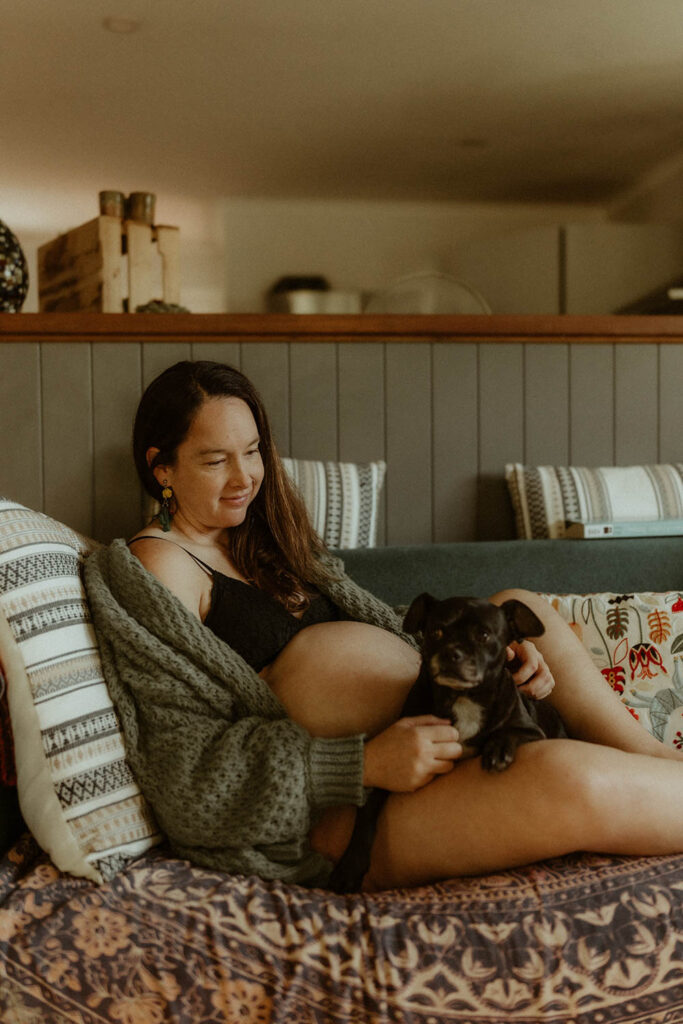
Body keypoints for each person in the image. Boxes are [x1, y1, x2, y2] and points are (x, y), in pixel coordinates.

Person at [84, 360, 683, 893]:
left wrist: (495, 655)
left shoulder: (263, 541)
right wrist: (362, 765)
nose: (245, 477)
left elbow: (386, 637)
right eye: (215, 461)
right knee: (563, 780)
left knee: (522, 605)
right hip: (342, 811)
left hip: (444, 723)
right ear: (161, 468)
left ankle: (654, 756)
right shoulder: (157, 565)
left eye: (253, 451)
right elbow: (184, 773)